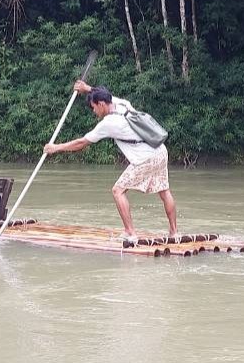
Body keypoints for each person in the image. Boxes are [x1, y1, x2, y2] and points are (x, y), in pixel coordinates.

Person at [44, 81, 178, 244]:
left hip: (146, 158)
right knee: (164, 191)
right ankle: (174, 232)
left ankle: (130, 233)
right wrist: (87, 89)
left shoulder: (108, 124)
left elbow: (81, 143)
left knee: (118, 191)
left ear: (101, 104)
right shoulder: (122, 104)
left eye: (94, 107)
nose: (94, 111)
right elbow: (105, 95)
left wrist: (55, 148)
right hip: (160, 150)